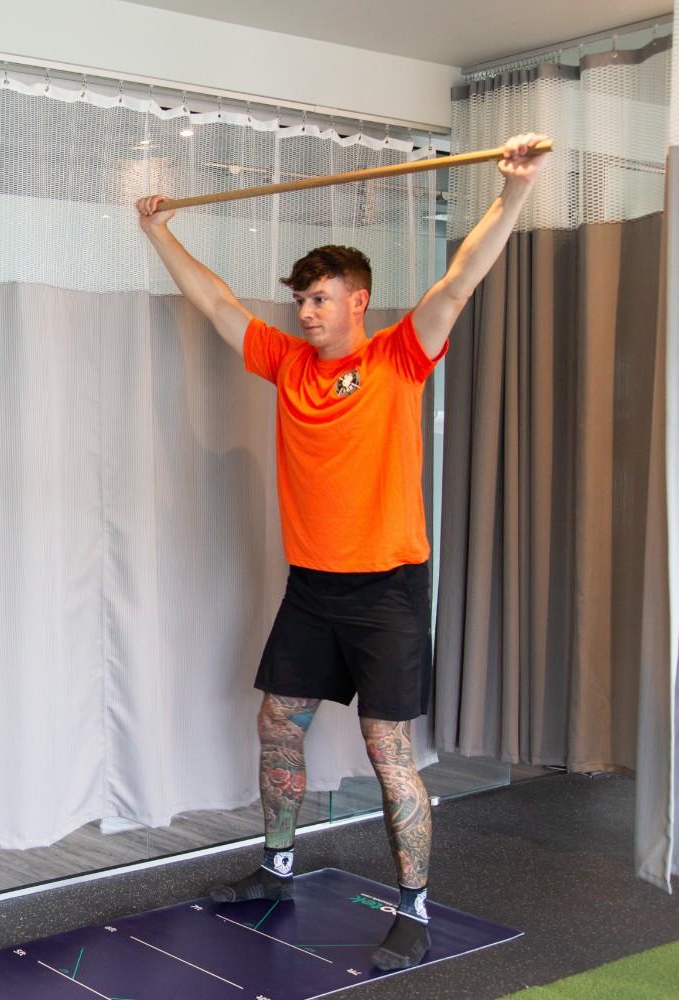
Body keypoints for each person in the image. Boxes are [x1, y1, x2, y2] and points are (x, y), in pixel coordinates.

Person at [136, 132, 549, 970]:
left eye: (321, 299)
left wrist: (513, 194)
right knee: (276, 722)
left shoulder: (401, 354)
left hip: (389, 588)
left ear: (359, 301)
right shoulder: (289, 365)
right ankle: (277, 866)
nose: (307, 312)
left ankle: (416, 909)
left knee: (385, 745)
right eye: (301, 301)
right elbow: (218, 306)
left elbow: (460, 278)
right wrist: (159, 233)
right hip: (314, 587)